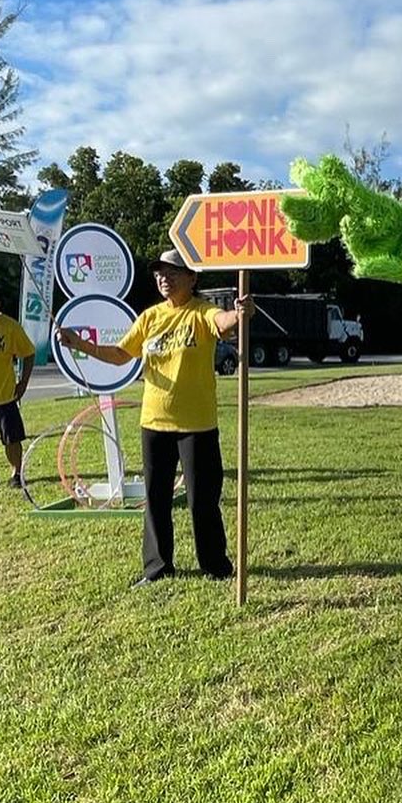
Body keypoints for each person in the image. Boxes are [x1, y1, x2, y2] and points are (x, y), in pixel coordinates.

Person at [56, 249, 254, 587]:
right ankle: (158, 568)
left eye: (173, 271)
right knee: (156, 500)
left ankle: (216, 566)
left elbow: (223, 324)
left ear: (192, 278)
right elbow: (121, 355)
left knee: (202, 501)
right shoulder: (150, 318)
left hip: (197, 425)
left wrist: (240, 314)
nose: (164, 277)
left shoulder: (201, 312)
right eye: (160, 272)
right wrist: (79, 344)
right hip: (154, 422)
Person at [0, 283, 35, 488]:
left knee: (12, 439)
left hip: (5, 395)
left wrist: (23, 383)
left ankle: (16, 474)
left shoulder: (10, 327)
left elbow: (28, 353)